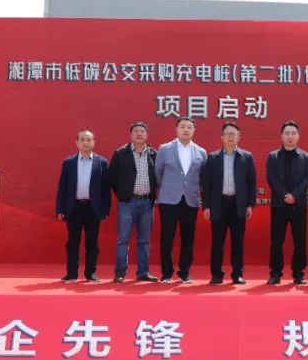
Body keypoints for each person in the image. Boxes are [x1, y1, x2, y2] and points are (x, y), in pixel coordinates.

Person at [200, 122, 256, 285]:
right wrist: (206, 206)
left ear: (239, 137)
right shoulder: (213, 157)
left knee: (238, 242)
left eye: (233, 134)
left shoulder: (246, 157)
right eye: (227, 133)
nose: (230, 136)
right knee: (217, 242)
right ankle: (216, 274)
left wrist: (250, 205)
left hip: (238, 205)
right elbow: (206, 184)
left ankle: (237, 274)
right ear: (222, 137)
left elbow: (251, 183)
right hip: (219, 204)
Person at [154, 117, 207, 283]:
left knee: (188, 238)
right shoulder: (165, 149)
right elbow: (158, 173)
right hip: (168, 200)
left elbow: (203, 177)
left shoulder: (201, 152)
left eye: (189, 127)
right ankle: (166, 273)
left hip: (190, 200)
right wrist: (168, 189)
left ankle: (184, 272)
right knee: (167, 237)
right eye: (183, 126)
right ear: (176, 129)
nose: (186, 129)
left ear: (194, 130)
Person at [55, 129, 111, 282]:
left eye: (89, 139)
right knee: (72, 242)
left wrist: (105, 209)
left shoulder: (102, 162)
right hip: (74, 207)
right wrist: (60, 208)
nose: (86, 142)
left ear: (94, 142)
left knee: (92, 243)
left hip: (93, 208)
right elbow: (62, 187)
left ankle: (90, 273)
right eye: (83, 139)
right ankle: (71, 273)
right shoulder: (69, 162)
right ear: (77, 143)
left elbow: (105, 189)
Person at [109, 121, 158, 283]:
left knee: (144, 240)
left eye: (142, 131)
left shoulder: (153, 154)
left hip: (147, 203)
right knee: (123, 239)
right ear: (130, 135)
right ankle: (120, 273)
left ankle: (143, 272)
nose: (139, 133)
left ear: (147, 135)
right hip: (127, 203)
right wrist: (123, 195)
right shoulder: (120, 153)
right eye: (136, 131)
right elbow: (112, 178)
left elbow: (158, 177)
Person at [265, 120, 308, 285]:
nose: (290, 136)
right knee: (277, 241)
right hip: (279, 205)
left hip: (299, 205)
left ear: (298, 136)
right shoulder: (273, 156)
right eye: (287, 133)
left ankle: (298, 274)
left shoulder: (305, 157)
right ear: (281, 136)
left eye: (293, 133)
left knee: (300, 241)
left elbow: (307, 179)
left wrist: (294, 195)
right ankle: (275, 273)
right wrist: (285, 194)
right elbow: (271, 178)